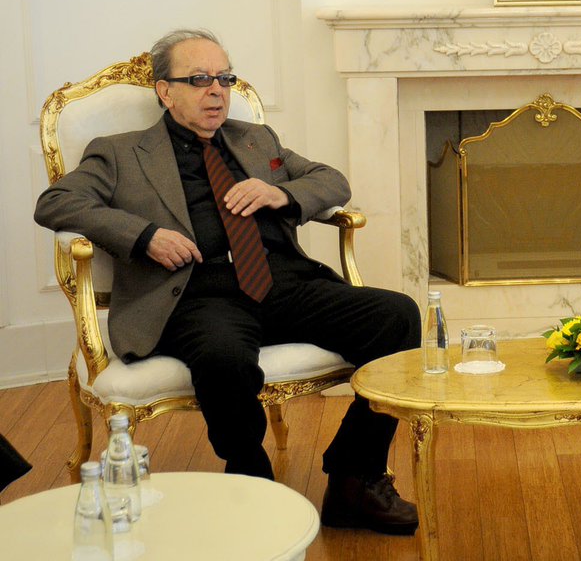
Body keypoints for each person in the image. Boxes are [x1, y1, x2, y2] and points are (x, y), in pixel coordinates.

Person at [34, 29, 422, 536]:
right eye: (198, 79)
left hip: (283, 282)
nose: (217, 90)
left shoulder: (256, 140)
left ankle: (355, 475)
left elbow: (331, 180)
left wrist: (281, 193)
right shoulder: (120, 151)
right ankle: (250, 477)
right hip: (198, 293)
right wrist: (145, 235)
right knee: (223, 358)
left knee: (398, 316)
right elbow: (57, 204)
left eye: (224, 78)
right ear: (164, 91)